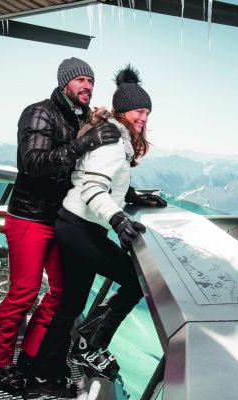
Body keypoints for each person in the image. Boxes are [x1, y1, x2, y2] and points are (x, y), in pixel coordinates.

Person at [0, 57, 122, 398]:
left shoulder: (77, 118)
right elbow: (33, 162)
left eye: (91, 80)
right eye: (80, 80)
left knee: (60, 293)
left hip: (58, 221)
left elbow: (83, 173)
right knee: (24, 293)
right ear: (65, 83)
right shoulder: (40, 112)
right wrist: (85, 142)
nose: (87, 85)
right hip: (30, 218)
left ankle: (32, 355)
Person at [26, 64, 165, 391]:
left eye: (147, 112)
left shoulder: (116, 135)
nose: (144, 118)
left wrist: (133, 195)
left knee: (69, 305)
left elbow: (100, 180)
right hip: (79, 228)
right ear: (123, 110)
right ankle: (88, 344)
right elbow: (92, 189)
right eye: (138, 111)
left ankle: (43, 373)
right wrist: (118, 219)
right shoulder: (113, 142)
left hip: (76, 225)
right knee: (135, 279)